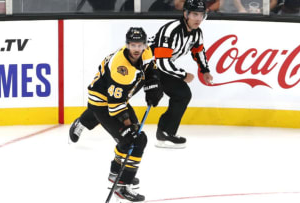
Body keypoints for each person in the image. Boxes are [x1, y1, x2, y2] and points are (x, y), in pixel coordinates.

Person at [70, 27, 163, 202]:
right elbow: (115, 106)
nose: (137, 49)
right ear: (127, 45)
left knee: (131, 137)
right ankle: (122, 186)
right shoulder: (122, 69)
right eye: (133, 45)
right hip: (104, 104)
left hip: (118, 98)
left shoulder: (146, 51)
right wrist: (128, 129)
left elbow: (151, 67)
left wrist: (154, 83)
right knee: (134, 140)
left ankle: (115, 174)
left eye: (140, 45)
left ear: (145, 45)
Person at [148, 0, 213, 148]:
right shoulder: (171, 30)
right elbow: (162, 62)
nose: (198, 18)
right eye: (195, 14)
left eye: (201, 15)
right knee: (120, 96)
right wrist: (183, 75)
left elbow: (198, 51)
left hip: (158, 67)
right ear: (186, 14)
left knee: (182, 94)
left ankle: (166, 133)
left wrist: (205, 70)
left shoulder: (197, 33)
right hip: (141, 64)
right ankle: (88, 118)